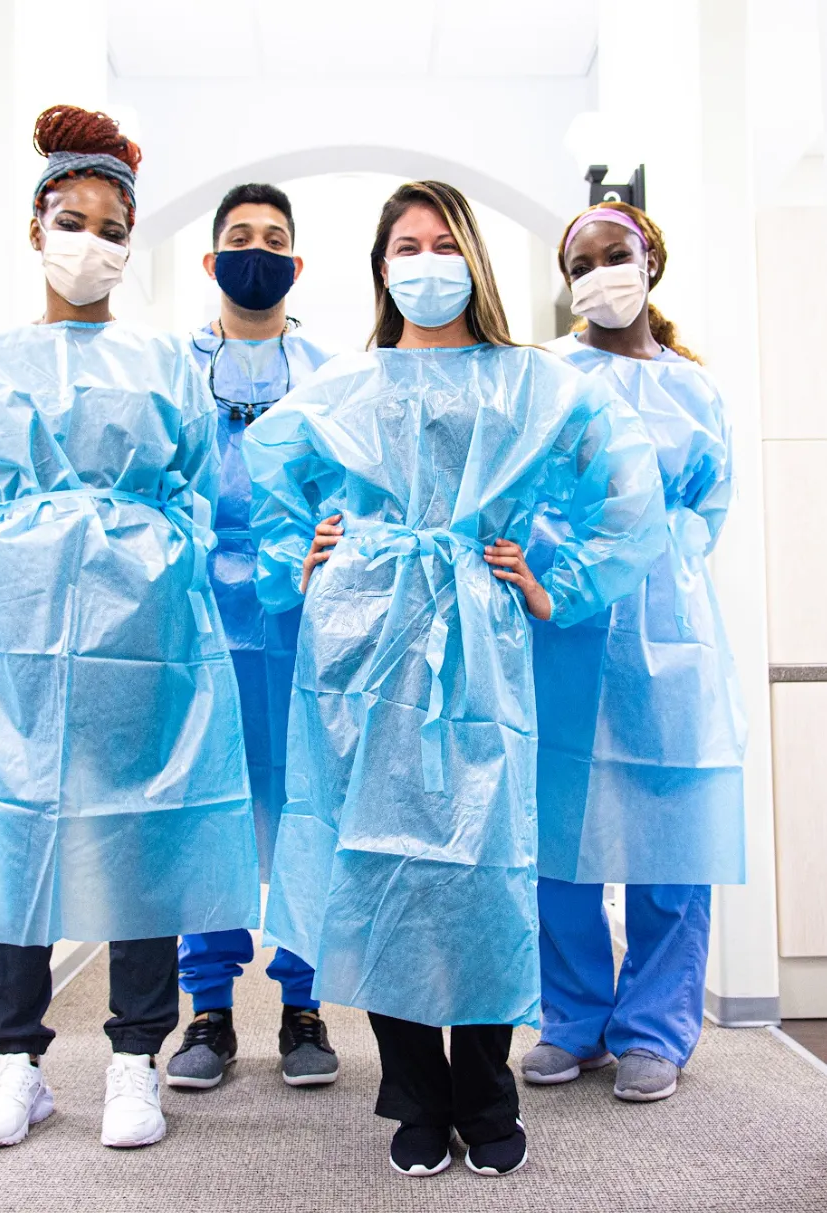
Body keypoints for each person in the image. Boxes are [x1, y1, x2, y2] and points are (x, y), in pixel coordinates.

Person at [241, 181, 667, 1178]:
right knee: (381, 865)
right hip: (363, 641)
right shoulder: (348, 384)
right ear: (382, 267)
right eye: (405, 245)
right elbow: (267, 481)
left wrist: (556, 580)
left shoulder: (532, 383)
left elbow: (628, 485)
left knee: (484, 865)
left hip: (478, 634)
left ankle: (486, 1088)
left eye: (442, 242)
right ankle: (414, 1094)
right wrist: (298, 555)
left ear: (472, 259)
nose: (424, 261)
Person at [0, 105, 260, 1150]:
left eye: (111, 225)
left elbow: (194, 496)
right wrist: (28, 573)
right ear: (35, 227)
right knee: (15, 836)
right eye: (71, 217)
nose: (91, 241)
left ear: (131, 244)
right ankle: (17, 1062)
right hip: (10, 636)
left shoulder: (166, 364)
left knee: (138, 834)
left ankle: (136, 1057)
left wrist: (143, 579)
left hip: (141, 635)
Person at [521, 201, 746, 1103]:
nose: (601, 274)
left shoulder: (697, 389)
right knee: (559, 831)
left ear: (650, 259)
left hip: (671, 622)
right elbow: (527, 489)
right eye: (583, 264)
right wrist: (575, 568)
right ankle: (573, 1020)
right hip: (569, 621)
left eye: (616, 255)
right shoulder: (549, 377)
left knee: (673, 828)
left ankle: (655, 1026)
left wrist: (655, 558)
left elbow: (708, 510)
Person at [165, 184, 339, 1092]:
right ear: (211, 261)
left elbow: (352, 488)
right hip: (200, 619)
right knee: (213, 803)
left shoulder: (331, 371)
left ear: (296, 265)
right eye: (240, 237)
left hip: (304, 619)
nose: (256, 251)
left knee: (306, 799)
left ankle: (304, 1004)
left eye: (274, 239)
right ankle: (208, 1008)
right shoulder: (173, 368)